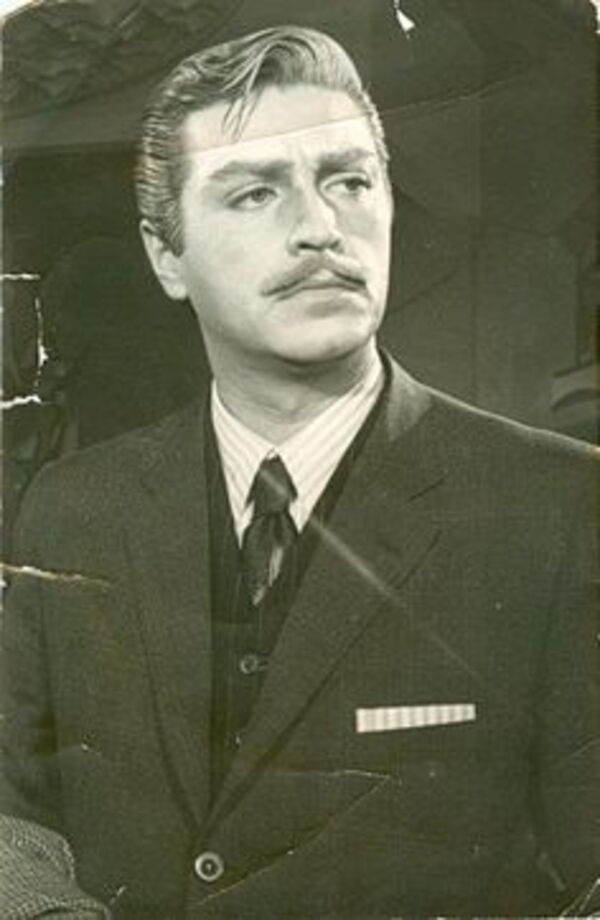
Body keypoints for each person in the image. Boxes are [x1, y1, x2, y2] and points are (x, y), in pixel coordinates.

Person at [1, 25, 598, 920]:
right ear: (167, 256)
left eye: (349, 182)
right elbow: (13, 811)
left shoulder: (560, 505)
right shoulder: (72, 510)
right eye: (255, 193)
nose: (321, 228)